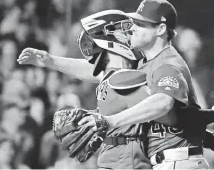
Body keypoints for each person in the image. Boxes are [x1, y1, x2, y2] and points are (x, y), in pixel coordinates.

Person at [17, 7, 214, 169]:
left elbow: (93, 71)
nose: (131, 33)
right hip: (129, 163)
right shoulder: (125, 79)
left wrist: (51, 61)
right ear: (110, 38)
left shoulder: (110, 78)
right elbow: (172, 118)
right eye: (125, 29)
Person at [78, 0, 214, 169]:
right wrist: (49, 61)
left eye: (141, 24)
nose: (132, 28)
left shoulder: (168, 64)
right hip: (167, 161)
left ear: (161, 29)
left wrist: (110, 120)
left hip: (180, 162)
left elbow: (164, 105)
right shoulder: (145, 64)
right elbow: (95, 72)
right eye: (134, 22)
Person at [18, 10, 151, 169]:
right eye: (125, 29)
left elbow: (159, 115)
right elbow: (91, 70)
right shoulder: (115, 76)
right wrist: (51, 61)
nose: (131, 33)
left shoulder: (126, 78)